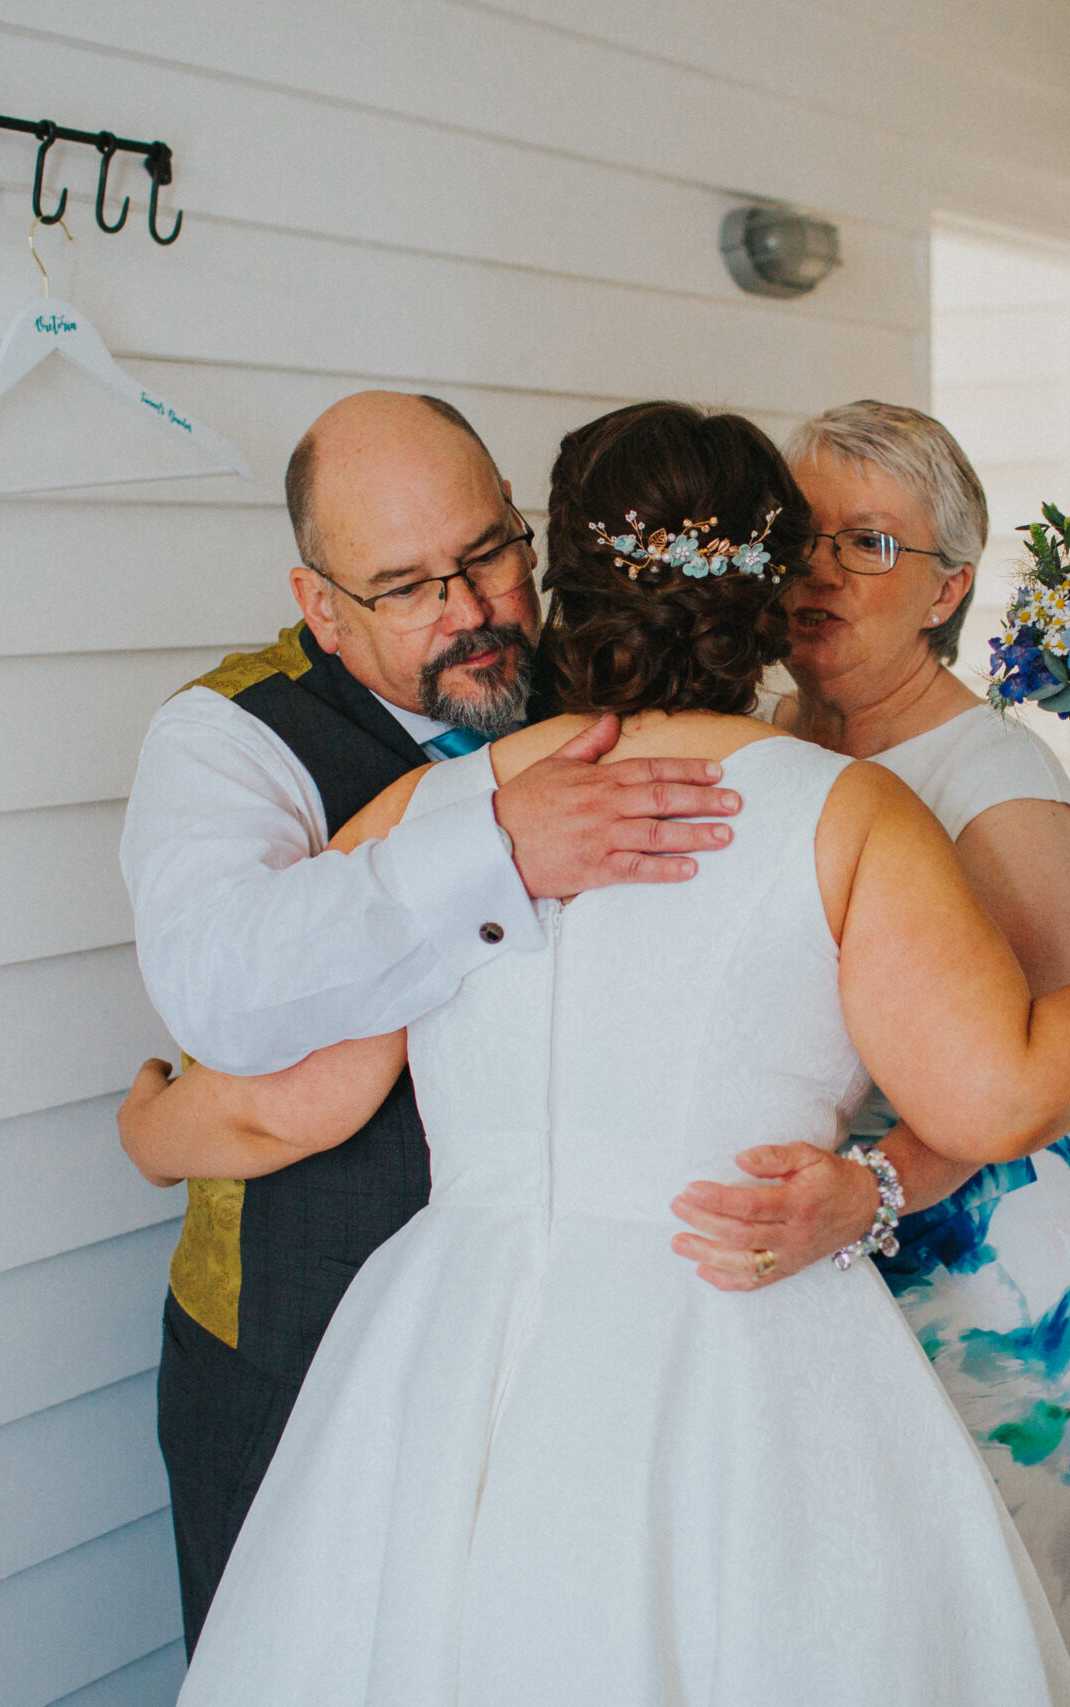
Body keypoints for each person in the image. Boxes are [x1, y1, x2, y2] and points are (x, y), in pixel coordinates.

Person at [132, 401, 1070, 1704]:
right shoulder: (850, 812)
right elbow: (997, 1088)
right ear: (772, 588)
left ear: (560, 571)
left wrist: (148, 1129)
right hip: (737, 1332)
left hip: (458, 1341)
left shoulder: (452, 812)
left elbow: (310, 1094)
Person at [116, 390, 748, 1651]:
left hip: (576, 1344)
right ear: (320, 607)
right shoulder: (226, 739)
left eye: (488, 556)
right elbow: (229, 992)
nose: (468, 612)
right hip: (297, 1343)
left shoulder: (613, 677)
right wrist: (490, 845)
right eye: (406, 588)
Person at [666, 400, 1070, 1705]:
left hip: (985, 1268)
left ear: (950, 586)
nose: (823, 570)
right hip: (812, 1253)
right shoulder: (763, 735)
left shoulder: (994, 777)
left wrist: (871, 1189)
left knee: (997, 1629)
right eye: (805, 537)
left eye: (872, 543)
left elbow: (1031, 1064)